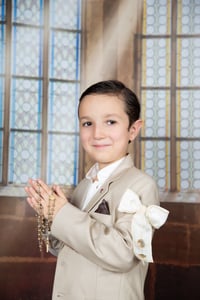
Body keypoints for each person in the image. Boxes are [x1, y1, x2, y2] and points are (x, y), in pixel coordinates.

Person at [25, 80, 169, 300]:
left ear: (133, 129)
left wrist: (62, 214)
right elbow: (64, 246)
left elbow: (123, 254)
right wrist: (49, 216)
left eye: (110, 122)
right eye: (87, 123)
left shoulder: (141, 185)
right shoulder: (84, 186)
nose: (97, 133)